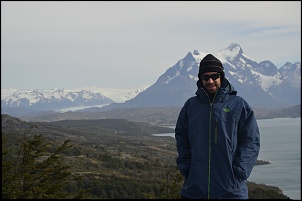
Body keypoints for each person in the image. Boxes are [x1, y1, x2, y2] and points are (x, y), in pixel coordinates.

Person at [175, 54, 260, 199]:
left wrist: (240, 170)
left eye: (214, 76)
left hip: (231, 191)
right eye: (205, 77)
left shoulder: (238, 104)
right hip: (195, 190)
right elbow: (181, 137)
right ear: (200, 79)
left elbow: (251, 140)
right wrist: (186, 167)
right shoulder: (191, 106)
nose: (210, 81)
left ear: (221, 77)